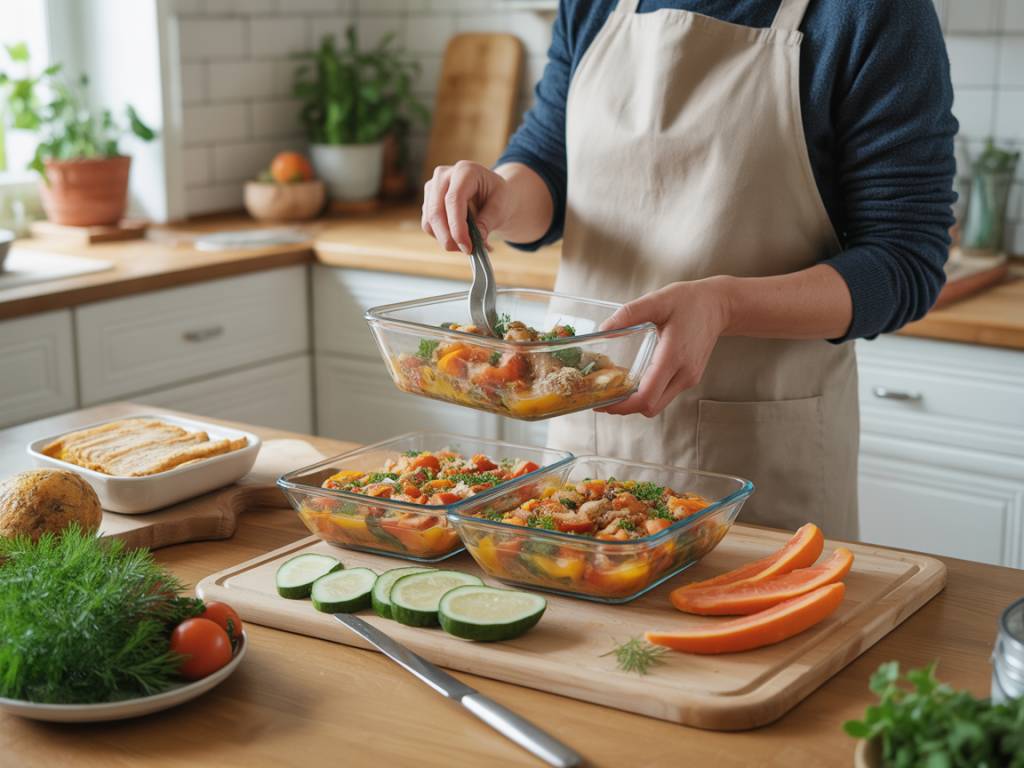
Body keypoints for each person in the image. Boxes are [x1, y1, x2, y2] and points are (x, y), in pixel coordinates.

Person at [420, 0, 956, 539]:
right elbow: (549, 163)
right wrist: (504, 193)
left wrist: (724, 305)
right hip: (584, 441)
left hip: (756, 461)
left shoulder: (875, 12)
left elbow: (904, 260)